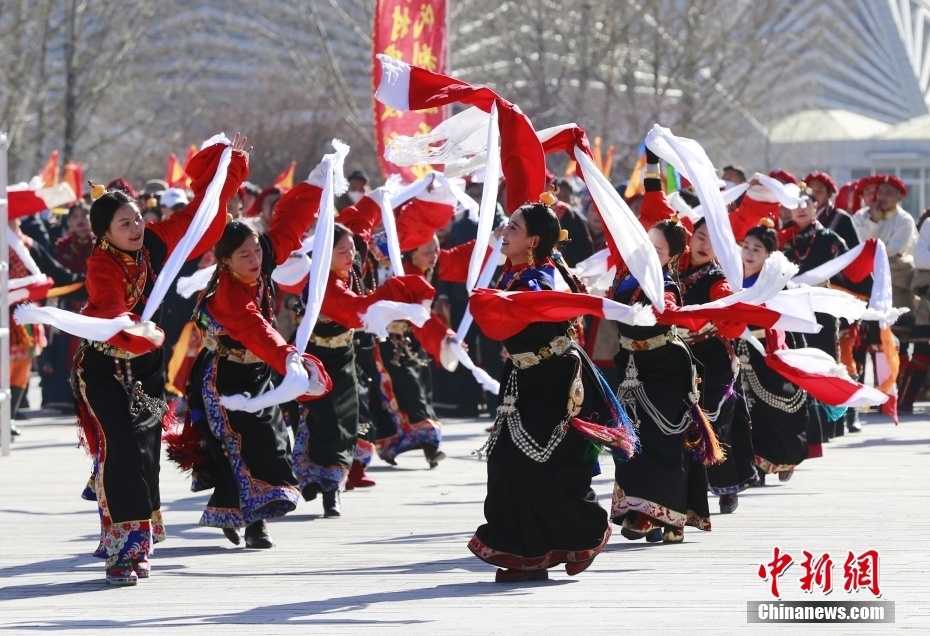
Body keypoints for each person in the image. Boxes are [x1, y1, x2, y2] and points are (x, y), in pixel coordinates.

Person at [72, 134, 249, 585]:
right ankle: (121, 550)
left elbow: (198, 224)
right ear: (104, 234)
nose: (135, 228)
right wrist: (136, 328)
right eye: (123, 224)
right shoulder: (101, 264)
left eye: (136, 219)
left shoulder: (152, 242)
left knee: (146, 451)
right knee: (122, 449)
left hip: (147, 371)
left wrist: (222, 178)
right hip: (104, 369)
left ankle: (139, 543)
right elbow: (110, 308)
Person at [468, 200, 630, 582]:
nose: (504, 231)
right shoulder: (513, 271)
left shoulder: (540, 276)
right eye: (505, 225)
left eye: (513, 228)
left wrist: (509, 303)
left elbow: (540, 302)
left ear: (534, 240)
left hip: (556, 380)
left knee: (544, 466)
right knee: (507, 465)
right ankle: (525, 554)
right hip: (521, 379)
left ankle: (582, 534)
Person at [177, 171, 331, 548]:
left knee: (274, 441)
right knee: (238, 447)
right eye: (244, 255)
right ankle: (253, 524)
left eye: (257, 251)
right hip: (223, 380)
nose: (255, 259)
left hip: (258, 374)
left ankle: (247, 519)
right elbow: (256, 330)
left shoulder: (262, 260)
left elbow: (289, 224)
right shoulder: (229, 294)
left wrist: (317, 183)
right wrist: (290, 359)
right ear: (225, 261)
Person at [290, 219, 435, 517]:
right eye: (342, 250)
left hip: (345, 357)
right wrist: (396, 288)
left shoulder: (350, 273)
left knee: (344, 422)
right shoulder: (321, 283)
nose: (350, 255)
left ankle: (332, 489)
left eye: (352, 250)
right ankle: (311, 477)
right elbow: (356, 311)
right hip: (316, 359)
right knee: (317, 419)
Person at [610, 217, 713, 544]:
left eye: (656, 249)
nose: (647, 252)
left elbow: (669, 307)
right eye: (646, 243)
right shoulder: (627, 274)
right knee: (630, 438)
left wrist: (664, 309)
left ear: (670, 257)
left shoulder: (665, 283)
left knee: (662, 439)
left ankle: (660, 515)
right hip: (629, 364)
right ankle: (641, 511)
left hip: (664, 366)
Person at [677, 217, 758, 513]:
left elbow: (731, 320)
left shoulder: (717, 280)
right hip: (678, 356)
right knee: (678, 424)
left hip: (712, 358)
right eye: (700, 236)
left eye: (712, 242)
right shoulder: (673, 264)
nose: (704, 245)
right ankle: (682, 493)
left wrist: (731, 309)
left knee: (713, 424)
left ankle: (727, 486)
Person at [738, 221, 809, 484]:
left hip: (767, 353)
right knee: (745, 412)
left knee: (775, 410)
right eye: (746, 246)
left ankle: (782, 459)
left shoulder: (777, 284)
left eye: (757, 249)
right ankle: (752, 466)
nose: (749, 253)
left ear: (769, 255)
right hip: (736, 352)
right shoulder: (731, 279)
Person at [782, 187, 849, 442]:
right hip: (793, 306)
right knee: (800, 359)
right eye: (795, 204)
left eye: (805, 204)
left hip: (822, 304)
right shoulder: (783, 238)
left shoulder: (829, 238)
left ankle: (832, 423)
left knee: (827, 360)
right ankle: (808, 425)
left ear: (815, 206)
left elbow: (848, 266)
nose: (800, 208)